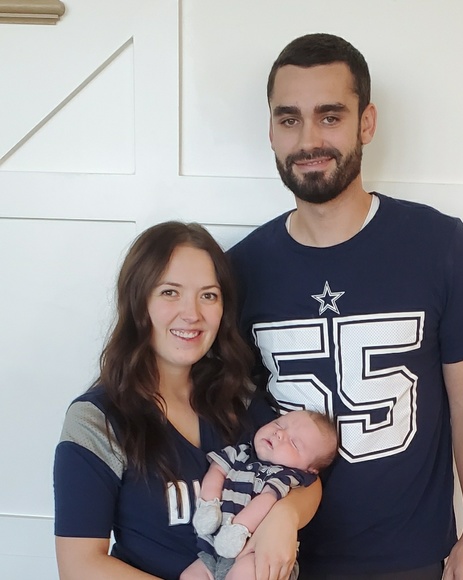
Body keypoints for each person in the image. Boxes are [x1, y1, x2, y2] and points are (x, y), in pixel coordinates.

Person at [228, 33, 463, 580]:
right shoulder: (239, 269)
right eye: (289, 119)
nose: (309, 139)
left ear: (366, 123)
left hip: (410, 557)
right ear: (271, 131)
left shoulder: (438, 245)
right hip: (276, 555)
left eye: (330, 116)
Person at [53, 221, 321, 580]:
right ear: (138, 300)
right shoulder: (96, 419)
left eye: (208, 295)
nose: (192, 313)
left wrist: (285, 516)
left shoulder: (236, 396)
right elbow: (79, 566)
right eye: (170, 292)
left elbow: (306, 477)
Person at [192, 410, 338, 580]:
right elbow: (216, 470)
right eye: (279, 424)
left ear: (309, 470)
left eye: (294, 443)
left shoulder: (287, 476)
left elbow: (267, 499)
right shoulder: (241, 452)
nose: (279, 434)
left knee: (244, 573)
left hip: (259, 554)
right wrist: (209, 505)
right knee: (191, 575)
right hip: (214, 551)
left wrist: (239, 527)